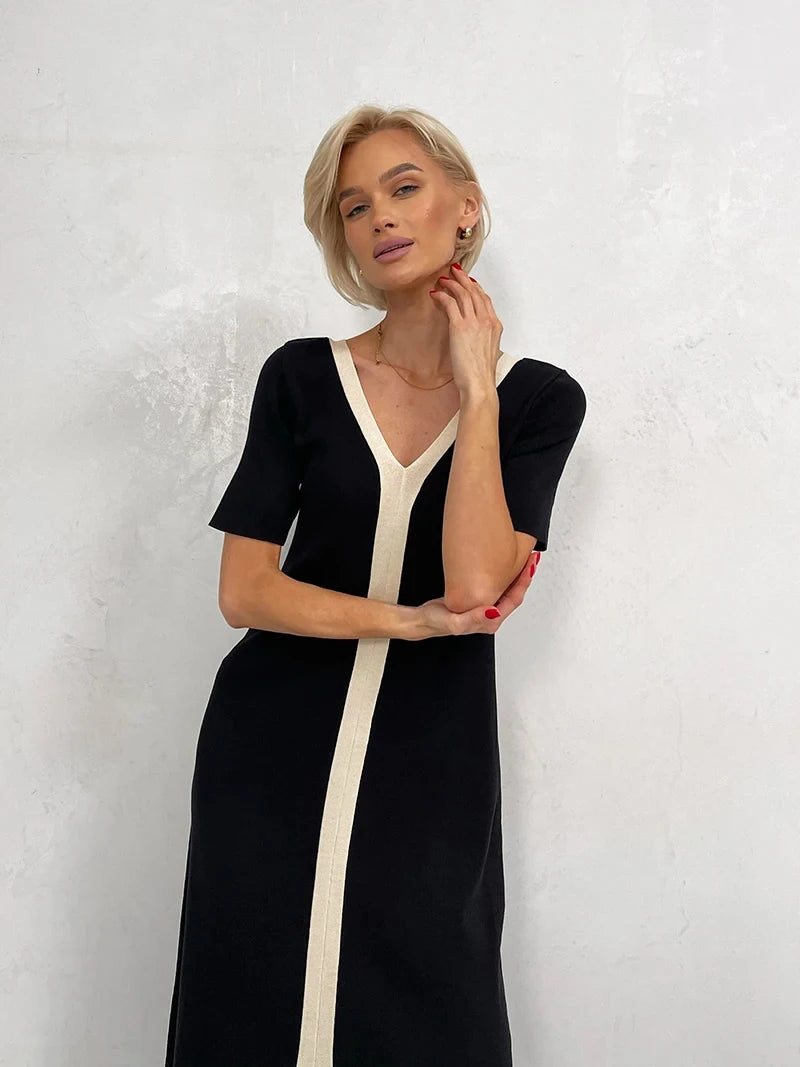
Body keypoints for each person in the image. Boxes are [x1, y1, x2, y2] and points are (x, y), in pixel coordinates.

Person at [165, 104, 587, 1066]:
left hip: (430, 762)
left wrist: (476, 390)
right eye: (354, 207)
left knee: (424, 1011)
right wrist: (406, 621)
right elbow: (245, 590)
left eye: (404, 188)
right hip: (268, 753)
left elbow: (476, 587)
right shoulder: (301, 380)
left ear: (465, 207)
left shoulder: (538, 399)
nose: (381, 217)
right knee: (253, 1006)